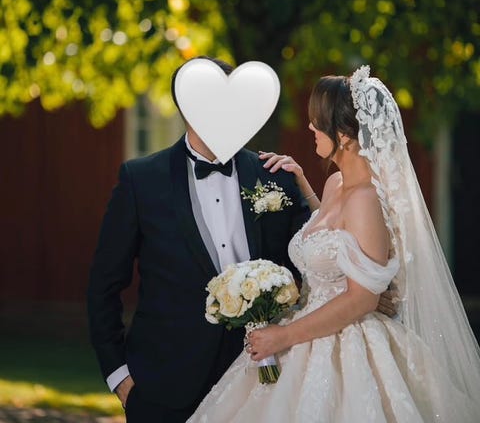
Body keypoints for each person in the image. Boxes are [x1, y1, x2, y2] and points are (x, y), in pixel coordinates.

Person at [188, 65, 480, 422]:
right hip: (307, 327)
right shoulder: (336, 184)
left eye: (317, 120)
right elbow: (333, 234)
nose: (310, 127)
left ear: (344, 135)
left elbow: (362, 299)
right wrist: (301, 182)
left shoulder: (366, 199)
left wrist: (284, 336)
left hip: (346, 340)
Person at [86, 56, 312, 422]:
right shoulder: (141, 180)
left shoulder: (274, 176)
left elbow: (315, 256)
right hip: (162, 385)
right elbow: (103, 285)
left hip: (259, 379)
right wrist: (120, 378)